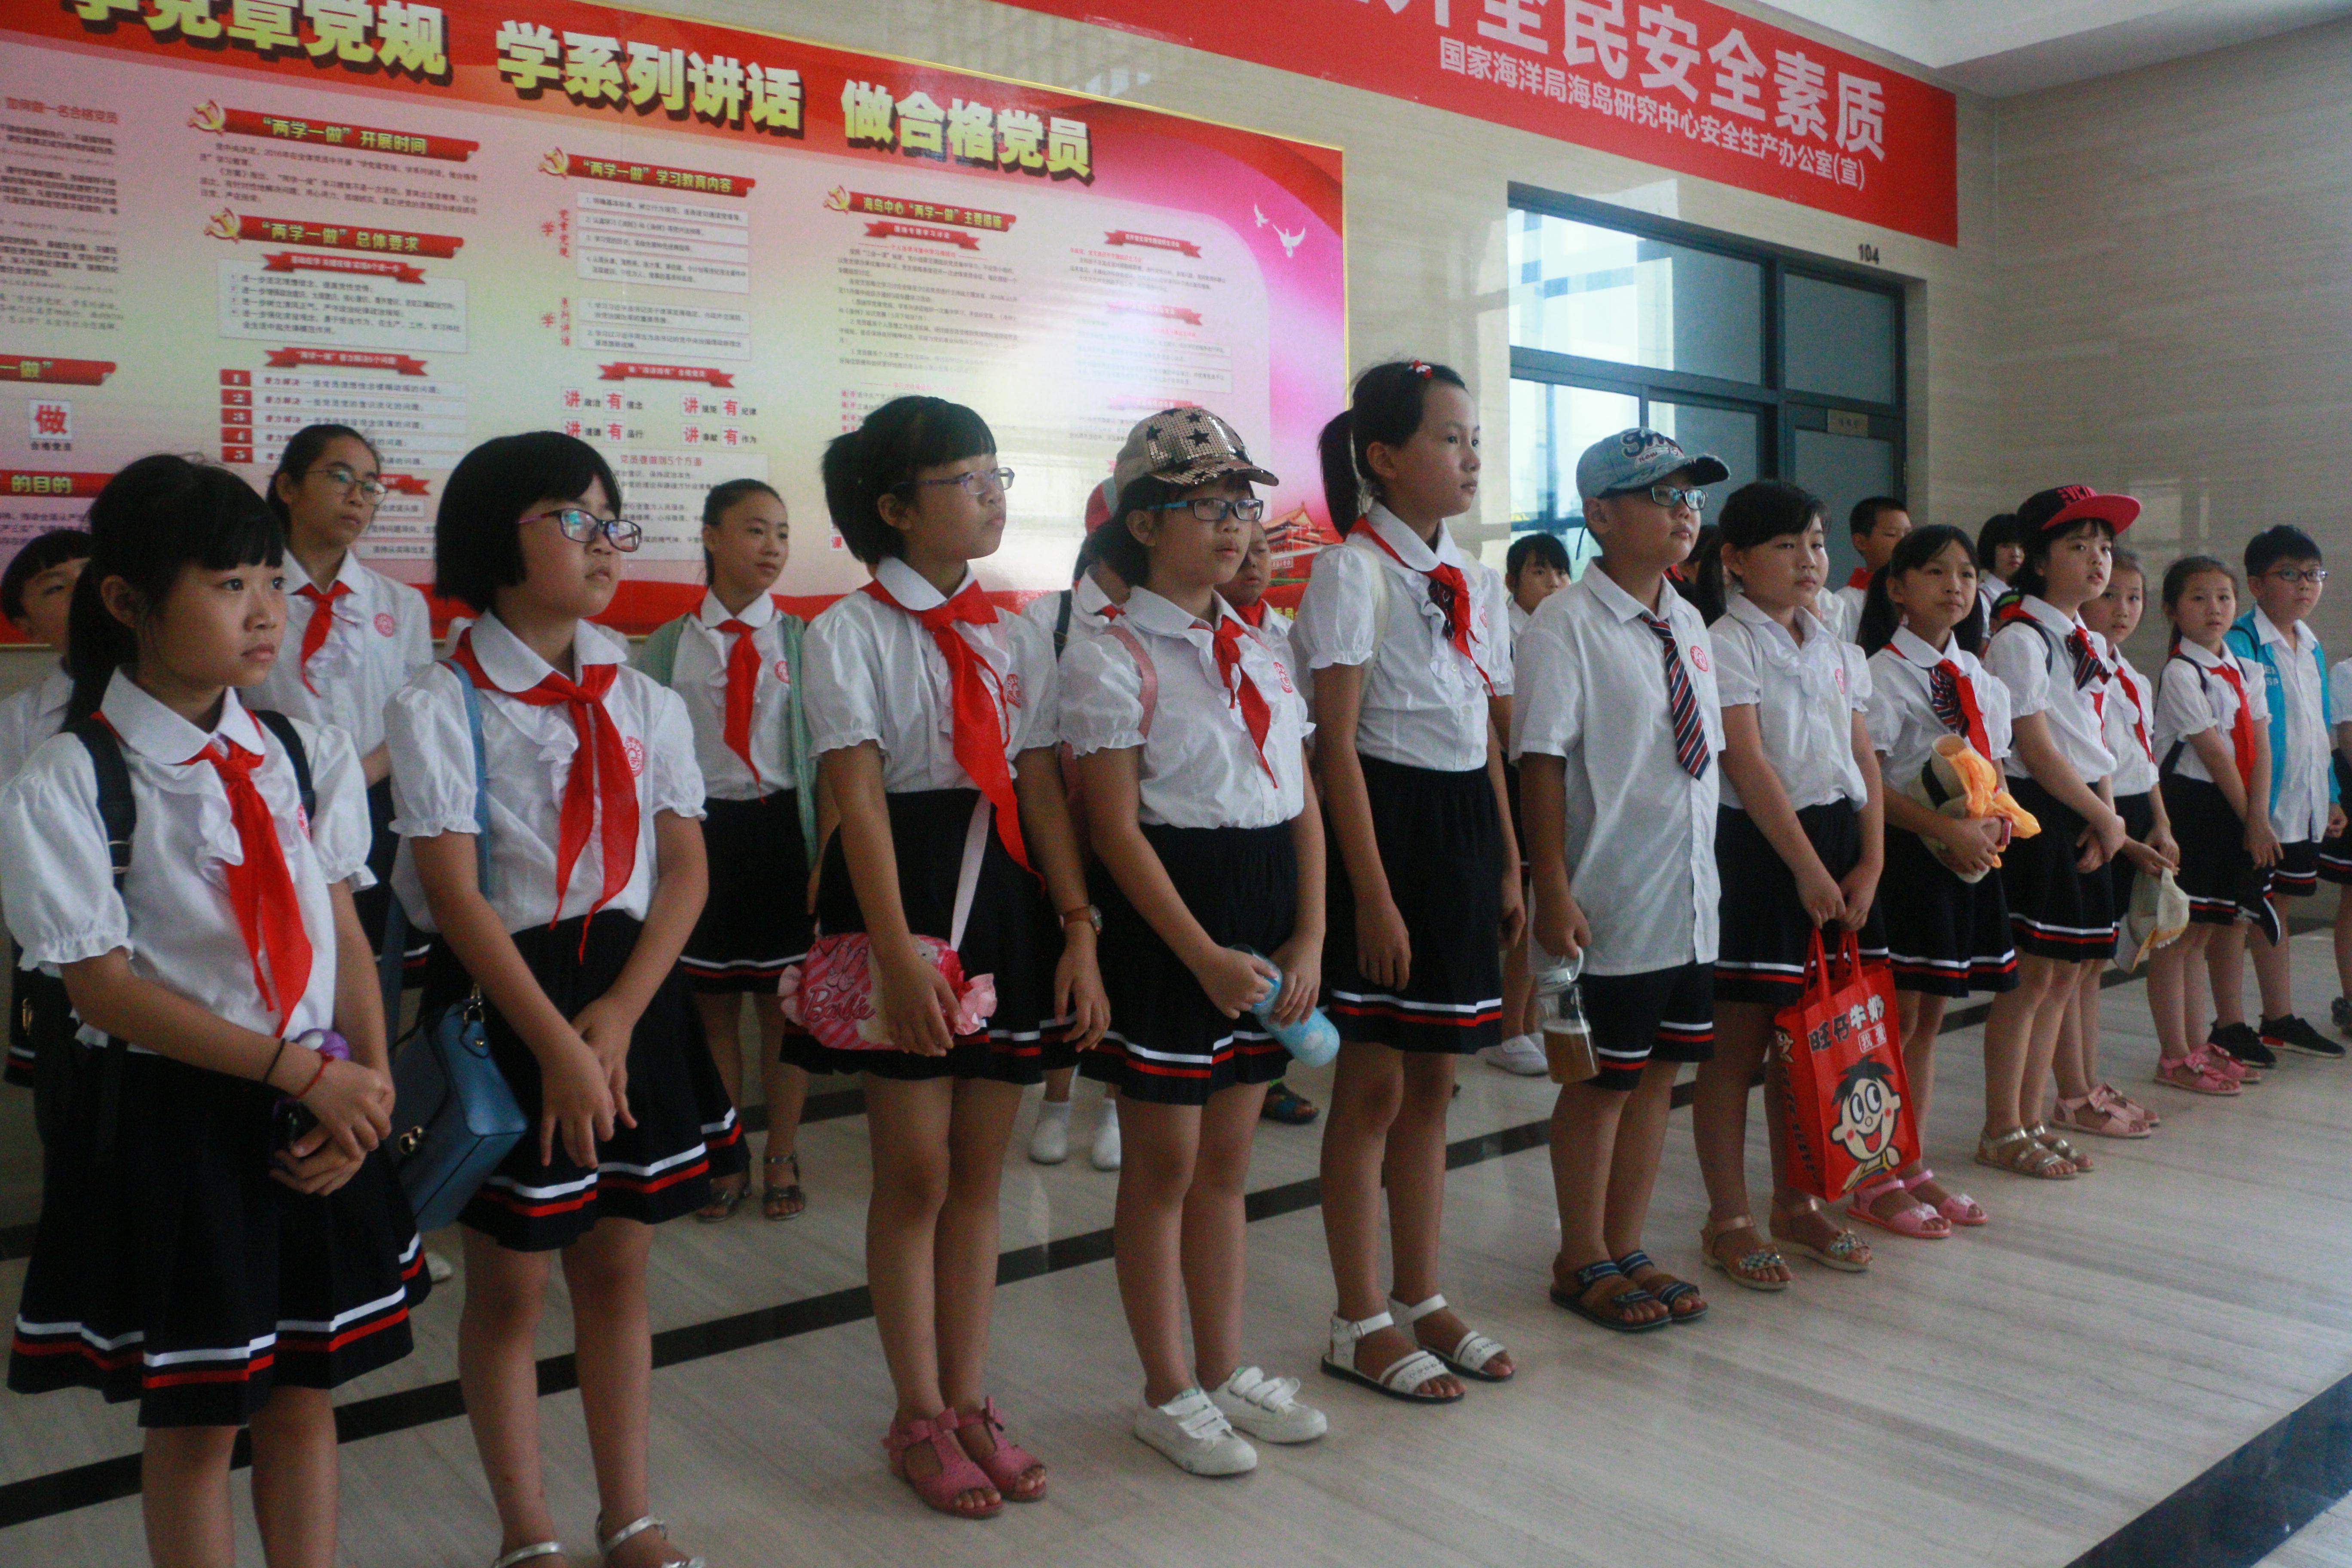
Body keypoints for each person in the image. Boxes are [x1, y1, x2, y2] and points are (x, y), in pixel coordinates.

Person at [1, 455, 423, 1568]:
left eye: (271, 582)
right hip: (176, 1124)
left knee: (305, 1394)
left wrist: (366, 1089)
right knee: (197, 1422)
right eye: (230, 585)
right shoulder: (67, 778)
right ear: (127, 600)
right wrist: (308, 1077)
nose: (265, 611)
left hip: (318, 1102)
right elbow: (103, 989)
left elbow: (343, 932)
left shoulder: (303, 751)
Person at [388, 432, 738, 1568]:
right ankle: (526, 1528)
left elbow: (685, 871)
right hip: (512, 1004)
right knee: (510, 1286)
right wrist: (562, 1046)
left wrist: (623, 1016)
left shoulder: (644, 698)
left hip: (629, 997)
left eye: (609, 519)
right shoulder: (441, 701)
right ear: (496, 537)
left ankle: (628, 1514)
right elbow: (455, 897)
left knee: (621, 1268)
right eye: (573, 519)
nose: (603, 543)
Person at [798, 396, 1108, 1518]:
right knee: (914, 1174)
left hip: (1007, 899)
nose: (991, 495)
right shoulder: (847, 634)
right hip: (903, 901)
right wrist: (893, 957)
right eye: (965, 478)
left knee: (981, 1173)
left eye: (995, 473)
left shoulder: (1011, 632)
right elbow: (857, 800)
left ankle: (971, 1401)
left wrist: (1078, 927)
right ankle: (917, 1413)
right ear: (894, 508)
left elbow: (1038, 787)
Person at [1065, 406, 1329, 1475]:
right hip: (1172, 924)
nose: (1234, 524)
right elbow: (1115, 831)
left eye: (1240, 504)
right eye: (1205, 505)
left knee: (1227, 1161)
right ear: (1141, 524)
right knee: (1163, 1166)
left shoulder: (1259, 643)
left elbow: (1300, 798)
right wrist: (1200, 956)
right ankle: (1165, 1388)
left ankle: (1222, 1368)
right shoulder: (1110, 654)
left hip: (1268, 915)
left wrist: (1312, 930)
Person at [1290, 359, 1518, 1398]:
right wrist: (1372, 895)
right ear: (1382, 457)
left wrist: (1507, 859)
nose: (1468, 457)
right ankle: (1358, 1315)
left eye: (1473, 439)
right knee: (1373, 1084)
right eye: (1447, 438)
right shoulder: (1352, 572)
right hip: (1385, 828)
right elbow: (1334, 745)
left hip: (1463, 826)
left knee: (1434, 1080)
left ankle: (1422, 1295)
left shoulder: (1472, 577)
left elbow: (1482, 735)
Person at [1515, 427, 1724, 1332]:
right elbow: (1541, 761)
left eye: (1691, 495)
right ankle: (1580, 1256)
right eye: (1661, 495)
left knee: (1658, 1078)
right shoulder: (1565, 624)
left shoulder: (1688, 622)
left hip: (1689, 897)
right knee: (1601, 1083)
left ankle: (1626, 1244)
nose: (1684, 511)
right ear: (1599, 515)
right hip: (1611, 894)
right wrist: (1552, 886)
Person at [1690, 481, 1887, 1277]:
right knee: (1737, 1050)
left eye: (1815, 541)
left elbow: (1862, 755)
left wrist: (1870, 860)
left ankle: (1797, 1201)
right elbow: (1746, 759)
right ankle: (1729, 1218)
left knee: (1809, 1040)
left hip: (1839, 846)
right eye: (1785, 545)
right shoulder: (1726, 642)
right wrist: (1806, 868)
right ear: (1735, 560)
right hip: (1762, 850)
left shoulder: (1836, 643)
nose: (1808, 559)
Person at [634, 478, 831, 1222]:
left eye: (781, 533)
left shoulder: (804, 642)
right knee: (712, 1010)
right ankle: (727, 1156)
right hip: (701, 839)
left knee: (785, 1009)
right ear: (711, 536)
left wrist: (825, 856)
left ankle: (783, 1151)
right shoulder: (667, 645)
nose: (772, 547)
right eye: (754, 530)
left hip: (782, 835)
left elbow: (830, 763)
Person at [1857, 524, 2018, 1231]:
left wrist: (1997, 819)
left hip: (1964, 858)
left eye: (1966, 574)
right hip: (1903, 859)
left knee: (1927, 1019)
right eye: (1935, 572)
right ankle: (1873, 1172)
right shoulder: (1881, 673)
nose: (1955, 586)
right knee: (1894, 1020)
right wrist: (1944, 829)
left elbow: (1993, 769)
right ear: (1897, 588)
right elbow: (1869, 784)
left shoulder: (1977, 675)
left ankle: (1909, 1160)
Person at [1977, 487, 2137, 1182]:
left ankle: (2034, 1117)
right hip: (2040, 810)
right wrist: (2102, 817)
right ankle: (2000, 1127)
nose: (2098, 560)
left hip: (2087, 810)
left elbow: (2095, 739)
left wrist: (2108, 816)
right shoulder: (2021, 638)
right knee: (2031, 979)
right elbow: (2035, 748)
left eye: (2104, 546)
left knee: (2064, 976)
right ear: (2038, 560)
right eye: (2078, 546)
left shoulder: (2087, 639)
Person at [248, 425, 436, 986]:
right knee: (284, 970)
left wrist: (355, 777)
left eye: (371, 486)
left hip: (376, 803)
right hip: (270, 802)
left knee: (371, 971)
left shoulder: (401, 604)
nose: (358, 496)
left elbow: (418, 716)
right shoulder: (249, 592)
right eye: (340, 477)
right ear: (287, 487)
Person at [2210, 527, 2346, 1061]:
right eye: (2290, 574)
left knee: (2277, 906)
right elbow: (2238, 736)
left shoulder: (2310, 644)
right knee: (2234, 915)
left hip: (2301, 804)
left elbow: (2318, 728)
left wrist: (2331, 794)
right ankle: (2229, 1024)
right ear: (2256, 584)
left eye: (2313, 574)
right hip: (2253, 808)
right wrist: (2254, 813)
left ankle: (2278, 1017)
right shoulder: (2240, 642)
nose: (2305, 585)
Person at [1020, 513, 1128, 1170]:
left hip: (1131, 815)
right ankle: (1056, 1101)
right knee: (1064, 955)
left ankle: (1114, 1105)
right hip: (1061, 818)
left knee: (1126, 962)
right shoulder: (1047, 620)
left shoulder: (1154, 617)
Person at [2150, 556, 2274, 1097]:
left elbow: (2260, 745)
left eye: (2223, 597)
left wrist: (2259, 815)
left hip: (2236, 806)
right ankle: (2174, 1054)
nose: (2214, 608)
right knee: (2176, 936)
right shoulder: (2182, 672)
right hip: (2191, 807)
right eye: (2198, 598)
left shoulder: (2246, 669)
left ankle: (2196, 1045)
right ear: (2173, 610)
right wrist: (2253, 820)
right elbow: (2215, 754)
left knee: (2200, 936)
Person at [2061, 550, 2174, 1135]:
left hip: (2129, 812)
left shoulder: (2131, 674)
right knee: (2073, 963)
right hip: (2095, 814)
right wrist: (2122, 838)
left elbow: (2146, 760)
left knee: (2094, 964)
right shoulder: (2078, 663)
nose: (2123, 608)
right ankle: (2073, 1090)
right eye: (2112, 595)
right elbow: (2088, 755)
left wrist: (2162, 822)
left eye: (2134, 598)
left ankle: (2089, 1080)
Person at [1225, 515, 1321, 1125]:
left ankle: (1271, 1078)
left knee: (1279, 973)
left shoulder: (1285, 636)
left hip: (1284, 809)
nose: (1253, 562)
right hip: (1221, 834)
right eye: (1241, 552)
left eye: (1262, 550)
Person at [0, 527, 89, 1088]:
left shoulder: (191, 691)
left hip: (177, 952)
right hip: (61, 955)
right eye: (57, 587)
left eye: (91, 574)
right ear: (27, 627)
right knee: (68, 1095)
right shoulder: (16, 723)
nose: (83, 592)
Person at [1484, 531, 1574, 1079]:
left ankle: (1531, 1021)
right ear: (1513, 582)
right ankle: (1507, 1030)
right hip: (1518, 777)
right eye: (1540, 572)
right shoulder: (1506, 631)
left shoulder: (1564, 627)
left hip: (1554, 775)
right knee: (1527, 904)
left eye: (1561, 572)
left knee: (1546, 901)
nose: (1555, 582)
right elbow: (1507, 716)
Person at [1826, 496, 1911, 641]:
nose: (1904, 542)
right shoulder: (1843, 604)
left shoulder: (1919, 596)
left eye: (1908, 534)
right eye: (1892, 534)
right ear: (1861, 542)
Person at [1977, 512, 2028, 622]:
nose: (2016, 554)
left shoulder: (2029, 595)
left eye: (2021, 547)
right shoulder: (1981, 598)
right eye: (2006, 546)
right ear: (1990, 549)